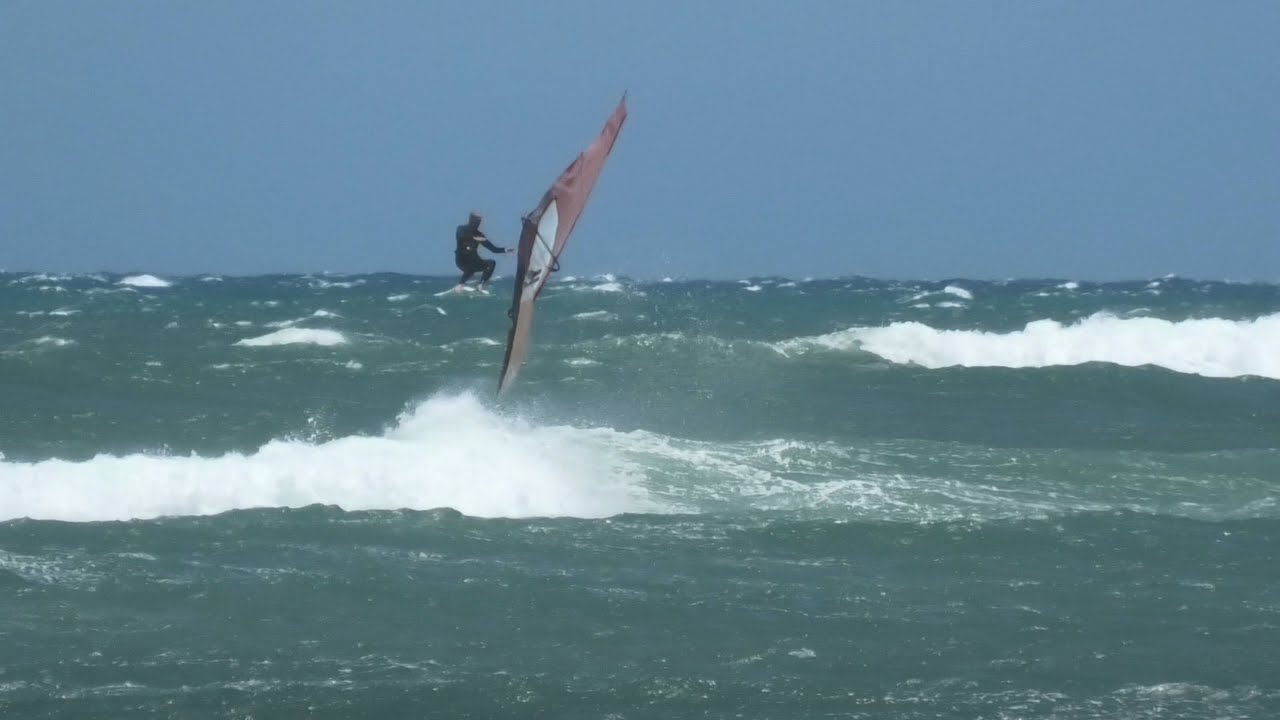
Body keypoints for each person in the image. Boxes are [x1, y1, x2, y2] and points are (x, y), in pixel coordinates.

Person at [453, 211, 514, 293]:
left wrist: (505, 250)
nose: (478, 223)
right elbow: (461, 236)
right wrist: (474, 238)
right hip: (461, 260)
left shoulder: (480, 235)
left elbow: (493, 249)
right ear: (471, 220)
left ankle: (480, 284)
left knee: (491, 263)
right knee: (470, 260)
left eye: (479, 221)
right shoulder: (461, 229)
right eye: (476, 221)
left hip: (474, 261)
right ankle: (460, 284)